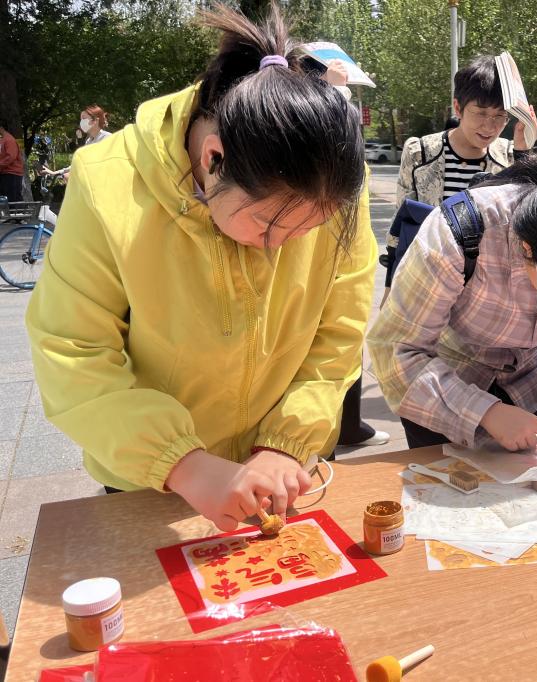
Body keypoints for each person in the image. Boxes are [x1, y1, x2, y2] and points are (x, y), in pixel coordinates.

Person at [26, 2, 376, 532]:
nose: (281, 247)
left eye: (310, 229)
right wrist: (182, 464)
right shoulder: (106, 183)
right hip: (152, 476)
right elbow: (72, 348)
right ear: (214, 159)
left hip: (284, 469)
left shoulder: (333, 183)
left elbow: (340, 329)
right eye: (268, 225)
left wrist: (286, 442)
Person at [368, 155, 537, 455]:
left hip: (536, 382)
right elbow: (397, 349)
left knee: (533, 480)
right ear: (528, 249)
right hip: (447, 384)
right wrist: (486, 412)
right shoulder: (459, 232)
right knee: (442, 479)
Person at [315, 49, 389, 449]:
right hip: (321, 261)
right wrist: (334, 95)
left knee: (345, 342)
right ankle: (325, 433)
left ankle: (346, 426)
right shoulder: (311, 129)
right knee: (326, 348)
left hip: (346, 257)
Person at [395, 54, 535, 208]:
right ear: (458, 108)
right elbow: (402, 217)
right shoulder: (419, 153)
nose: (489, 127)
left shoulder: (510, 156)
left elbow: (527, 212)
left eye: (500, 115)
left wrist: (523, 152)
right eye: (481, 113)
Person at [42, 105, 113, 179]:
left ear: (95, 121)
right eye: (81, 119)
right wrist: (55, 173)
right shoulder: (89, 141)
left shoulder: (107, 138)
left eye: (84, 118)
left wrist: (73, 175)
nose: (81, 122)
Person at [0, 118, 25, 201]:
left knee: (13, 199)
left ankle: (22, 209)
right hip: (5, 173)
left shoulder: (9, 140)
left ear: (1, 127)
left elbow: (10, 157)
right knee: (5, 200)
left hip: (12, 173)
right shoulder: (3, 140)